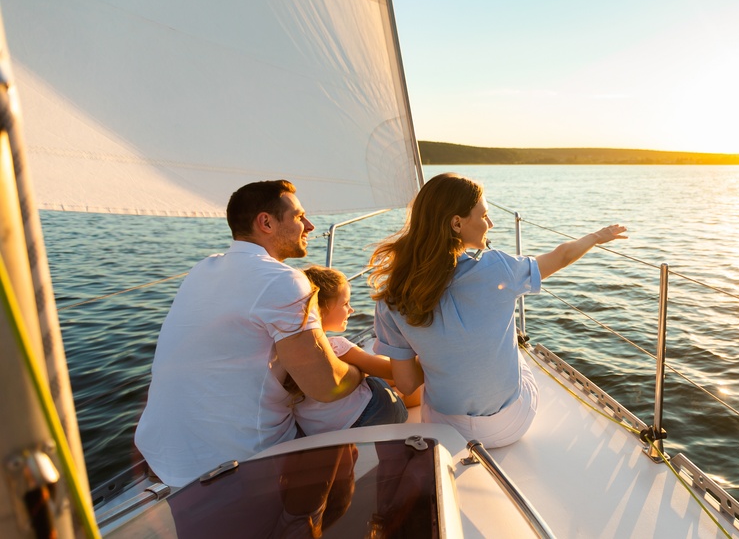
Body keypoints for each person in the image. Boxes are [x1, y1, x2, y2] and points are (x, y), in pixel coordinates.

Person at [135, 180, 379, 488]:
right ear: (265, 222)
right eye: (298, 216)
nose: (310, 225)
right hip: (241, 460)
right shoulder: (283, 280)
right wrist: (362, 372)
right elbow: (325, 385)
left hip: (164, 454)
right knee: (380, 400)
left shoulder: (203, 268)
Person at [369, 172, 627, 447]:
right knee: (516, 349)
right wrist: (597, 236)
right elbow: (561, 256)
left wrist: (441, 356)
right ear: (456, 223)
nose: (490, 224)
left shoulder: (392, 297)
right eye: (483, 216)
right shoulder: (499, 268)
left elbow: (406, 385)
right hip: (509, 425)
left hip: (444, 429)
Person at [288, 266, 411, 436]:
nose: (351, 310)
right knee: (388, 382)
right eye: (345, 303)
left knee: (371, 374)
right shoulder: (337, 347)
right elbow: (393, 372)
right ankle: (403, 399)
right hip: (374, 415)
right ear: (321, 309)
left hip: (320, 432)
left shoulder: (286, 353)